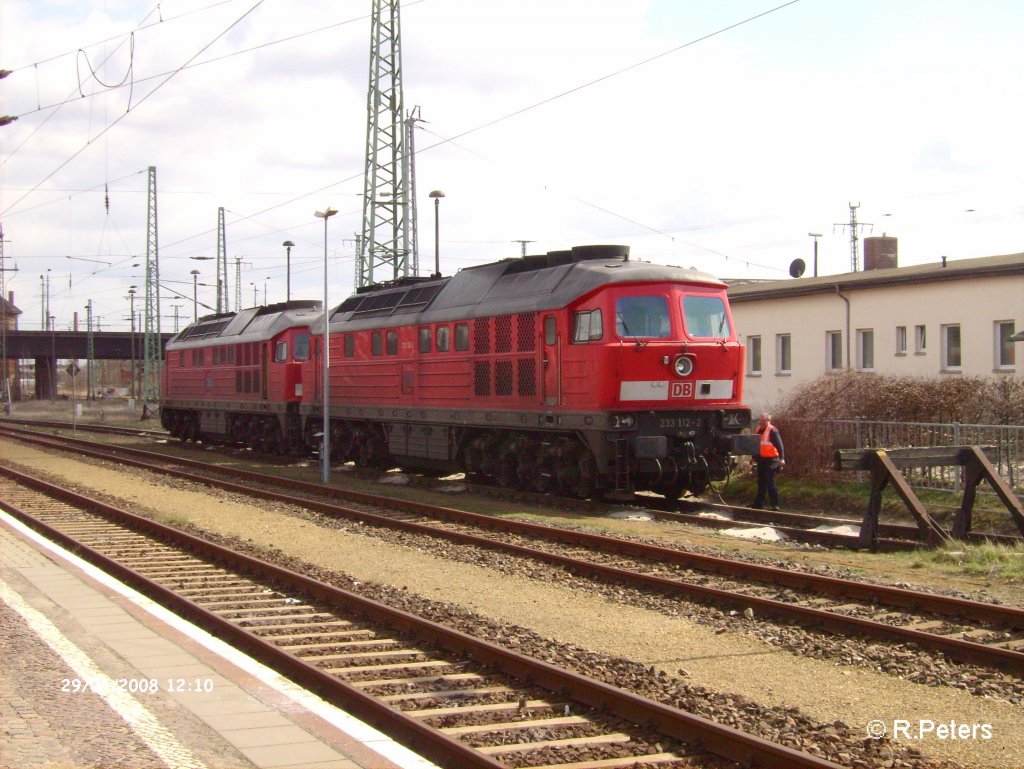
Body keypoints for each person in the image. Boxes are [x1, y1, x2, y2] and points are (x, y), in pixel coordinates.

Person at [751, 412, 784, 510]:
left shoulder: (773, 430)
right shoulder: (757, 430)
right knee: (761, 481)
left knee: (770, 481)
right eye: (760, 420)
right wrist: (753, 457)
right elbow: (755, 445)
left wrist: (782, 459)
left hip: (772, 460)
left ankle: (775, 504)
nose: (760, 422)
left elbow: (780, 445)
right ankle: (758, 503)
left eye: (763, 421)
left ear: (768, 421)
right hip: (761, 459)